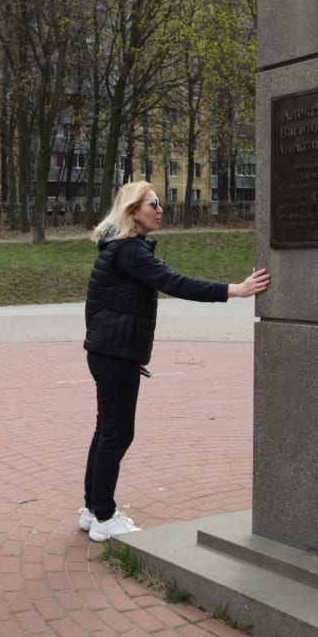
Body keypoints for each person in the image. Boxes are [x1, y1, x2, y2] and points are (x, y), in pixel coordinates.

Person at [80, 181, 271, 542]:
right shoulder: (130, 252)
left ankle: (93, 509)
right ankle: (104, 515)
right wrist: (236, 290)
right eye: (153, 204)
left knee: (106, 430)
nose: (160, 210)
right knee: (117, 433)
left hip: (107, 352)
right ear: (134, 211)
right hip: (115, 355)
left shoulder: (119, 249)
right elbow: (175, 282)